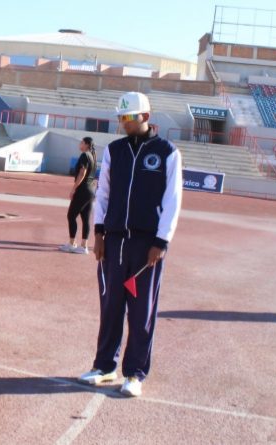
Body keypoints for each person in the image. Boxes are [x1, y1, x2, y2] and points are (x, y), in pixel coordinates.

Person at [78, 92, 182, 398]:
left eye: (128, 118)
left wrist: (161, 241)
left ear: (145, 118)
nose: (123, 123)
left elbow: (172, 200)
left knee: (141, 311)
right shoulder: (114, 150)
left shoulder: (167, 153)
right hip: (114, 242)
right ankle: (104, 366)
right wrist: (98, 234)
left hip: (146, 244)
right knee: (110, 306)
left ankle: (135, 373)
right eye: (120, 118)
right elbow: (104, 193)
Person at [59, 137, 97, 255]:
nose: (79, 144)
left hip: (83, 190)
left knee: (71, 216)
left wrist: (73, 189)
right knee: (85, 218)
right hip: (91, 190)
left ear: (86, 144)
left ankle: (72, 243)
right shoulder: (93, 156)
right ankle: (84, 246)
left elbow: (82, 173)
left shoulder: (85, 155)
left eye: (81, 142)